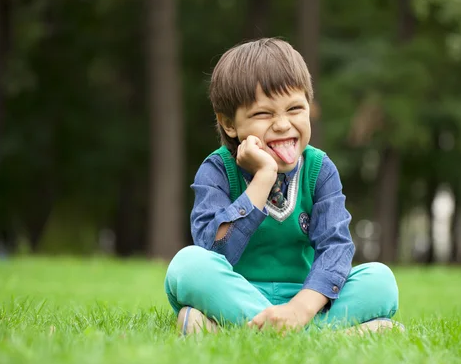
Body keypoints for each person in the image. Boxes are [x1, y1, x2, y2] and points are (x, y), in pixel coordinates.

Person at [164, 37, 402, 335]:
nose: (282, 124)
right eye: (264, 113)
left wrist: (299, 309)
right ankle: (328, 336)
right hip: (235, 294)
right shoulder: (217, 169)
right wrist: (262, 179)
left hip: (305, 297)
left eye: (294, 109)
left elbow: (335, 248)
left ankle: (233, 330)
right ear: (229, 124)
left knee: (380, 281)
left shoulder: (319, 170)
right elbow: (214, 250)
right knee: (188, 266)